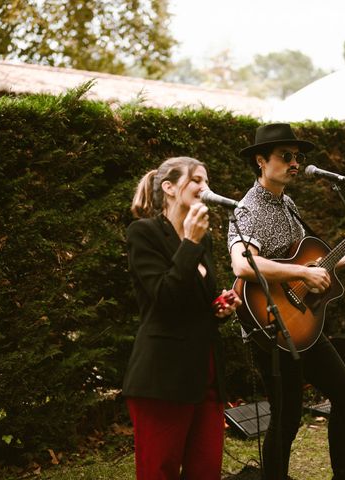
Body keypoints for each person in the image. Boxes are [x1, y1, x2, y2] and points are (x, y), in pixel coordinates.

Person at [227, 124, 345, 480]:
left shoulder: (288, 204)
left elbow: (305, 263)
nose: (294, 163)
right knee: (287, 416)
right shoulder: (248, 209)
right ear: (261, 161)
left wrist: (343, 261)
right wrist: (302, 276)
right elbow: (243, 264)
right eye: (285, 156)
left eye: (298, 157)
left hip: (302, 322)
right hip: (269, 325)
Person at [123, 156, 241, 480]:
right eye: (197, 180)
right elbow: (164, 299)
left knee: (205, 470)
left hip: (206, 374)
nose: (206, 188)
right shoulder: (143, 234)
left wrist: (220, 306)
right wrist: (188, 243)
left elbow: (194, 300)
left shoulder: (205, 239)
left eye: (207, 181)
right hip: (163, 376)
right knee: (158, 471)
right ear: (169, 187)